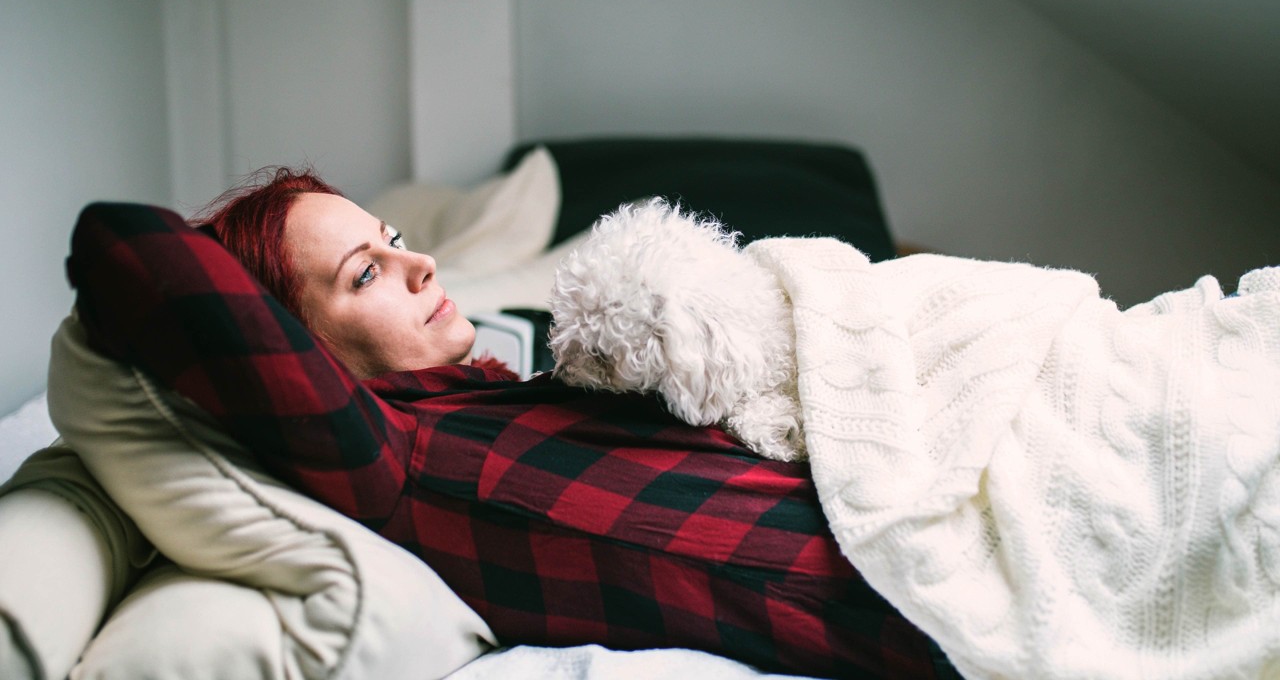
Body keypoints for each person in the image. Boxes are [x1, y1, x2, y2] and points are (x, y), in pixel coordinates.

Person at [59, 168, 959, 679]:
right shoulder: (391, 458)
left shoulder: (492, 398)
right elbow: (127, 248)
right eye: (363, 275)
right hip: (918, 601)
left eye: (393, 234)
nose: (418, 263)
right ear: (294, 354)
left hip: (924, 504)